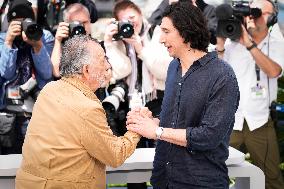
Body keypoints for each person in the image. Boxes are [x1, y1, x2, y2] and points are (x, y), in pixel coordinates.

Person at [126, 1, 240, 189]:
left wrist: (157, 132)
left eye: (166, 31)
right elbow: (175, 120)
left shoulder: (222, 75)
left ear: (186, 32)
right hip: (164, 180)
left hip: (200, 183)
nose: (161, 39)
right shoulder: (174, 67)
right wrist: (151, 122)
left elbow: (209, 136)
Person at [15, 35, 141, 189]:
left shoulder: (49, 90)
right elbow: (114, 155)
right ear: (86, 70)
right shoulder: (87, 108)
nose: (108, 66)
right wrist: (137, 127)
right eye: (103, 60)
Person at [217, 0, 284, 188]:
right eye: (251, 11)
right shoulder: (231, 41)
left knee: (271, 177)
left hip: (259, 121)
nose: (253, 16)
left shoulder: (277, 43)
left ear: (272, 19)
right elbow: (214, 75)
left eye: (260, 13)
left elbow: (274, 71)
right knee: (211, 170)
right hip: (230, 120)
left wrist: (249, 44)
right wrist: (220, 45)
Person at [0, 0, 54, 154]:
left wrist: (37, 45)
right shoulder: (2, 39)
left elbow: (46, 73)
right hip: (8, 114)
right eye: (17, 22)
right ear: (9, 22)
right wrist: (9, 42)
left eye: (26, 21)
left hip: (36, 114)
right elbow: (6, 73)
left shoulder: (44, 36)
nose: (22, 25)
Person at [51, 3, 92, 78]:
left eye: (85, 22)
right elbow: (57, 72)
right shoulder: (62, 46)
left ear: (90, 22)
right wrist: (58, 41)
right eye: (77, 24)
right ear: (67, 25)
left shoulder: (98, 45)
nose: (82, 27)